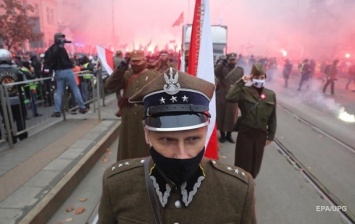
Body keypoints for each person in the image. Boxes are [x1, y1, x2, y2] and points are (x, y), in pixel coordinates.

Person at [98, 67, 256, 224]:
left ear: (206, 132)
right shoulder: (117, 185)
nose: (181, 154)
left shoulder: (238, 190)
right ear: (147, 134)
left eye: (193, 139)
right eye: (167, 140)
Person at [105, 50, 160, 161]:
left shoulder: (154, 75)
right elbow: (110, 85)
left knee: (144, 148)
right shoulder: (126, 75)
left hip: (146, 117)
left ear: (144, 60)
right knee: (128, 147)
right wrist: (121, 67)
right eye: (132, 61)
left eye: (138, 61)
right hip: (128, 119)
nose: (135, 64)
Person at [226, 63, 277, 178]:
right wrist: (241, 81)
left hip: (260, 134)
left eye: (262, 78)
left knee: (255, 163)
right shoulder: (244, 91)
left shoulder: (270, 95)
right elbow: (229, 97)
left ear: (265, 78)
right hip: (246, 132)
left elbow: (273, 117)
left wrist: (271, 136)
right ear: (252, 78)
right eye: (257, 78)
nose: (260, 80)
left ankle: (250, 183)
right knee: (242, 162)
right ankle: (240, 183)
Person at [44, 32, 88, 117]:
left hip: (58, 72)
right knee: (75, 89)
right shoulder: (60, 49)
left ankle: (57, 111)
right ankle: (82, 107)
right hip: (67, 71)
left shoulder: (52, 48)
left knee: (59, 92)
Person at [0, 49, 28, 143]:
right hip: (17, 98)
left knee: (7, 119)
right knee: (20, 117)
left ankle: (11, 138)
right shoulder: (17, 70)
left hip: (3, 100)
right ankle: (22, 135)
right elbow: (25, 83)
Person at [215, 53, 244, 143]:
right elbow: (216, 72)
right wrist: (222, 63)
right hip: (222, 95)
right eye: (230, 60)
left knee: (232, 116)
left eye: (233, 60)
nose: (232, 61)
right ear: (227, 60)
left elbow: (241, 83)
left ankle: (229, 135)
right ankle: (222, 134)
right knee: (221, 115)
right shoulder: (222, 68)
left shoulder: (240, 70)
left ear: (236, 60)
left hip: (234, 95)